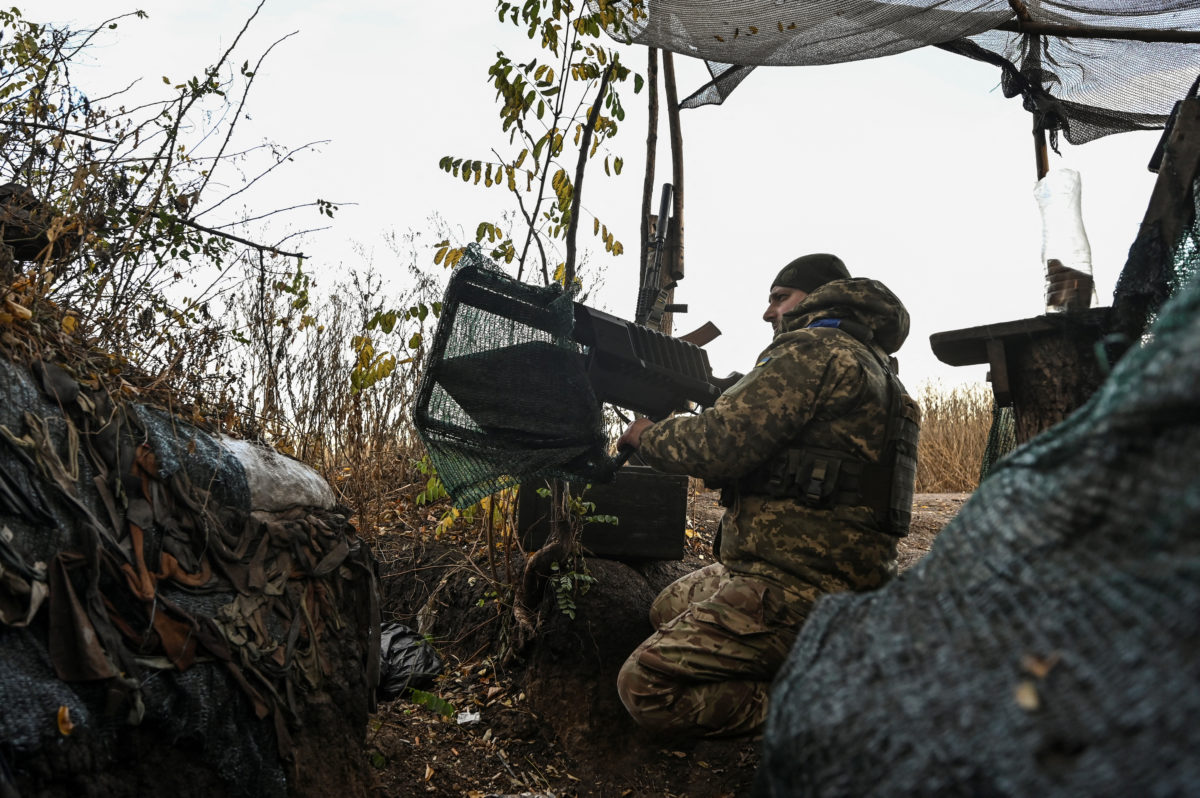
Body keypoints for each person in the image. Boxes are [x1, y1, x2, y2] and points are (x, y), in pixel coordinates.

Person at [614, 253, 919, 737]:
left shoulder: (812, 349)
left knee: (645, 685)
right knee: (667, 608)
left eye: (780, 298)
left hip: (798, 588)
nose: (769, 312)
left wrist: (648, 436)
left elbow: (719, 446)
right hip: (832, 581)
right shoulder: (878, 369)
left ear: (818, 296)